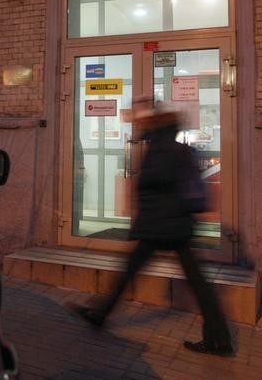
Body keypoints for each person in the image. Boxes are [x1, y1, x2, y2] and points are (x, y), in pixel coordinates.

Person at [72, 102, 234, 357]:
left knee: (130, 272)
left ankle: (101, 314)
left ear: (158, 128)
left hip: (160, 227)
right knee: (196, 283)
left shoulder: (158, 151)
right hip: (176, 226)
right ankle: (219, 339)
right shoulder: (181, 151)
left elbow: (152, 186)